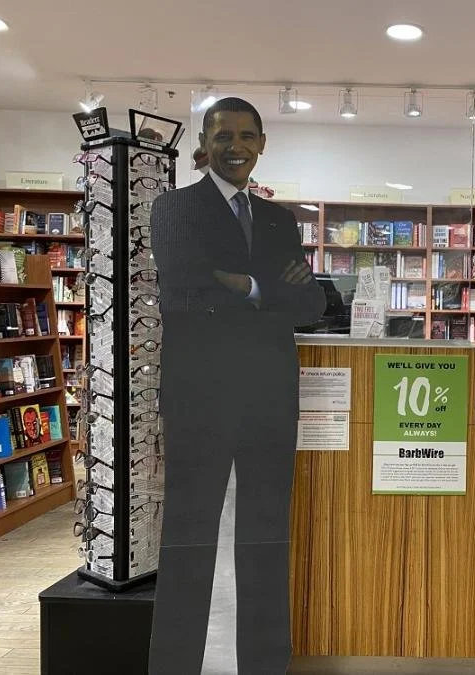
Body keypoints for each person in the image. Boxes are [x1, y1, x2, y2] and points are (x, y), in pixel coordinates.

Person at [149, 97, 325, 675]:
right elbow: (186, 290)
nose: (236, 147)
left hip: (269, 394)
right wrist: (270, 289)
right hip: (199, 394)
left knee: (267, 532)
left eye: (247, 136)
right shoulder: (174, 208)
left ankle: (265, 661)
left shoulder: (279, 219)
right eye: (223, 136)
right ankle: (176, 664)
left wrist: (245, 287)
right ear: (204, 143)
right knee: (189, 530)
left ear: (262, 145)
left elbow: (312, 303)